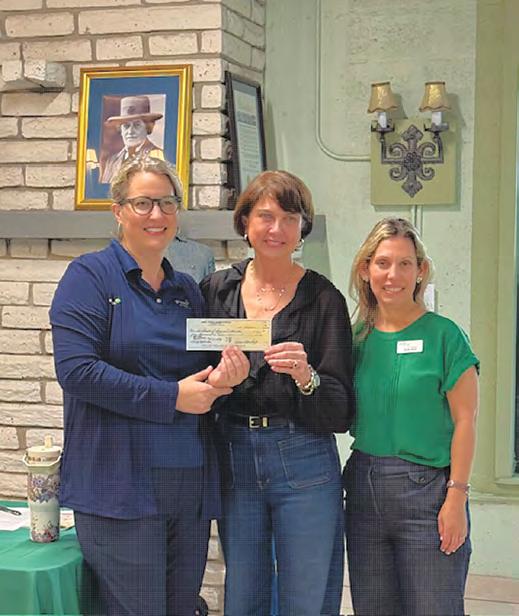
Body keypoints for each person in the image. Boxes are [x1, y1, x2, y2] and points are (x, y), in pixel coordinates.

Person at [50, 156, 249, 616]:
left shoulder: (187, 290)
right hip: (117, 488)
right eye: (143, 203)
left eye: (166, 203)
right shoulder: (89, 277)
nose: (156, 214)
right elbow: (77, 372)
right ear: (118, 211)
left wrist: (224, 378)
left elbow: (202, 372)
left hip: (187, 484)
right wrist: (172, 397)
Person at [200, 170, 355, 616]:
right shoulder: (215, 291)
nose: (277, 229)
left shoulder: (324, 299)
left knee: (306, 593)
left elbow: (341, 411)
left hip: (303, 456)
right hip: (234, 454)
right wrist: (218, 382)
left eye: (290, 218)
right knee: (243, 592)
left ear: (303, 227)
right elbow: (191, 378)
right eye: (266, 216)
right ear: (245, 222)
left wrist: (307, 377)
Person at [344, 217, 479, 616]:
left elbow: (466, 421)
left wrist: (456, 497)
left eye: (405, 264)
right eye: (383, 263)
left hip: (429, 493)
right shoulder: (355, 338)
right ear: (366, 270)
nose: (393, 275)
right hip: (364, 489)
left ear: (421, 271)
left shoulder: (445, 336)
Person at [100, 95, 165, 183]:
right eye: (126, 126)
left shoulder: (158, 156)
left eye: (137, 125)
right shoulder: (112, 161)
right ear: (120, 130)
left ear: (148, 127)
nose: (130, 131)